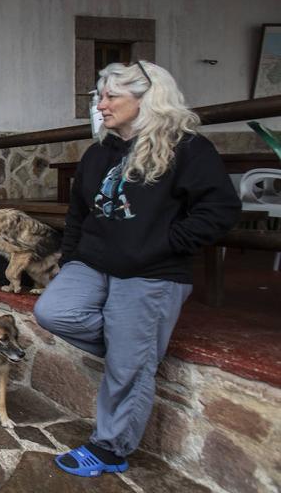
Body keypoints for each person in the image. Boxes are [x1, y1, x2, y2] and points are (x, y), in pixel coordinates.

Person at [33, 61, 240, 477]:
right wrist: (72, 260)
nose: (101, 104)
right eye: (100, 96)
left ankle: (110, 447)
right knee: (52, 311)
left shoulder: (186, 148)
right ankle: (136, 353)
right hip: (93, 264)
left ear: (145, 99)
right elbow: (78, 215)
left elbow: (220, 210)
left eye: (110, 97)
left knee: (128, 364)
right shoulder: (98, 154)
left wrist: (164, 245)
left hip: (153, 272)